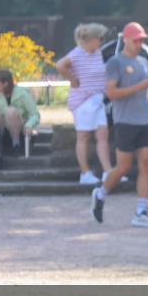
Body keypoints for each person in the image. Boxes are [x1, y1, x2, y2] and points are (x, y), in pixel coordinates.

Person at [91, 22, 148, 228]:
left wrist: (145, 94)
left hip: (144, 119)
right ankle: (101, 193)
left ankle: (141, 211)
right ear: (126, 40)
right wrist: (140, 86)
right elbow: (111, 93)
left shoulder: (143, 61)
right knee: (123, 167)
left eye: (141, 40)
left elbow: (143, 91)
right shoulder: (115, 62)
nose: (139, 44)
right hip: (125, 121)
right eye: (136, 40)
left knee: (146, 163)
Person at [57, 22, 113, 185]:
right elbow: (60, 65)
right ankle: (85, 172)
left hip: (97, 100)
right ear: (91, 39)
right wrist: (73, 79)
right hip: (83, 101)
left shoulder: (96, 53)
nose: (101, 42)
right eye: (100, 39)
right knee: (84, 136)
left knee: (103, 135)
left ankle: (108, 171)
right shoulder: (77, 53)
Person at [0, 69, 40, 156]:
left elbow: (35, 115)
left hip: (20, 128)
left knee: (11, 111)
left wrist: (29, 125)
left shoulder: (22, 94)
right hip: (3, 128)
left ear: (5, 83)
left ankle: (16, 145)